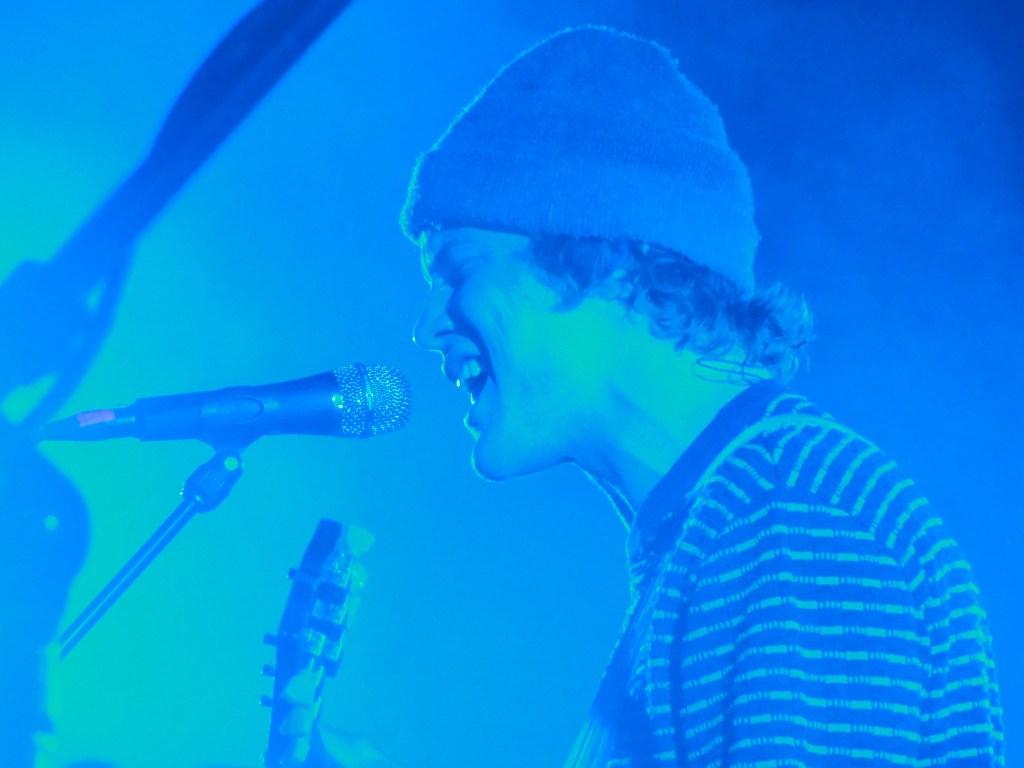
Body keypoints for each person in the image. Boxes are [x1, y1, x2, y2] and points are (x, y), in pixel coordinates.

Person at [297, 25, 1004, 767]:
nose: (426, 328)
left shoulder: (792, 518)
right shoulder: (725, 531)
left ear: (604, 258)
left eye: (461, 268)